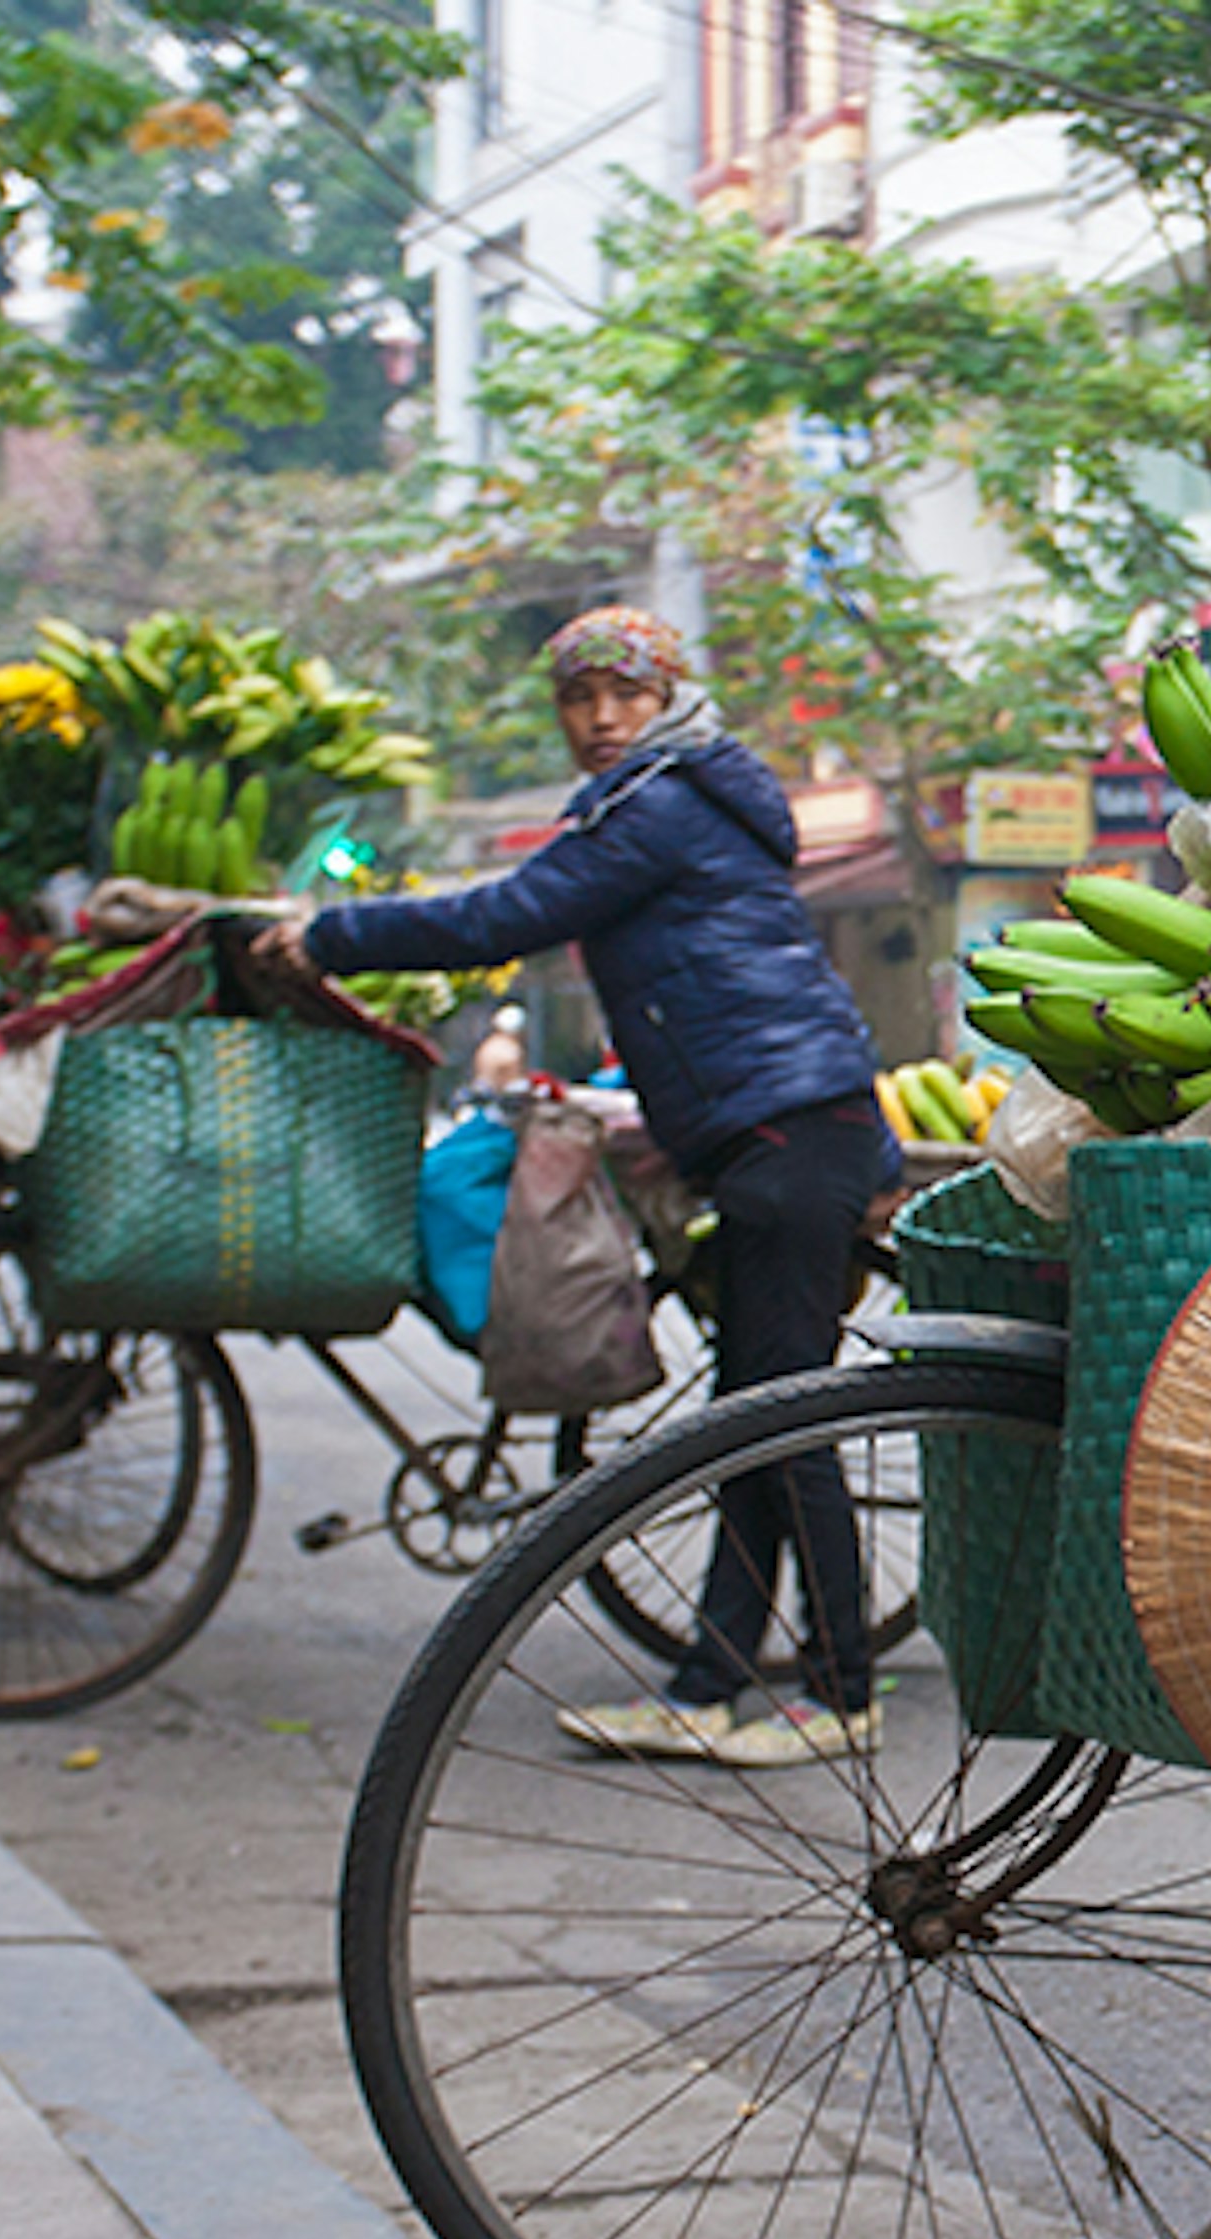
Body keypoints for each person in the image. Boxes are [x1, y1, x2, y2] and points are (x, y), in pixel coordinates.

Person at [261, 607, 899, 1768]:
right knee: (748, 1425)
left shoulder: (655, 808)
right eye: (580, 698)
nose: (602, 719)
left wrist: (332, 936)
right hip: (770, 1133)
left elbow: (497, 917)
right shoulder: (668, 799)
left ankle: (841, 1691)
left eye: (627, 694)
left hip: (791, 1133)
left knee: (781, 1424)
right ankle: (710, 1684)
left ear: (670, 701)